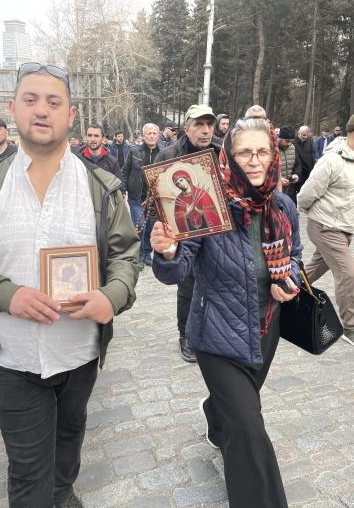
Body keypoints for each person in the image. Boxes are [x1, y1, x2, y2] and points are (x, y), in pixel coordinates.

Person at [0, 62, 139, 508]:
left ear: (71, 115)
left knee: (67, 453)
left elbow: (127, 256)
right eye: (30, 100)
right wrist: (7, 295)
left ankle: (64, 496)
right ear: (13, 109)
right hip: (15, 359)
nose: (42, 111)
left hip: (80, 356)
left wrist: (112, 297)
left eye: (54, 102)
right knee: (28, 476)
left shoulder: (101, 187)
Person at [151, 117, 302, 508]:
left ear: (273, 156)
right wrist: (167, 250)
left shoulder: (283, 206)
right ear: (227, 157)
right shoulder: (207, 206)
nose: (253, 161)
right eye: (243, 152)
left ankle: (215, 413)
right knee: (250, 431)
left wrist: (287, 279)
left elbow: (296, 257)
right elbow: (178, 270)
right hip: (217, 336)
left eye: (262, 151)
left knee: (237, 415)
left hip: (265, 330)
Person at [155, 104, 218, 362]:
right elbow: (157, 196)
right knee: (187, 285)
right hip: (183, 232)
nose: (205, 131)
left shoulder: (220, 152)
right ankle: (186, 336)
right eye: (199, 125)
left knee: (215, 282)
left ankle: (212, 331)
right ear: (187, 127)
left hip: (215, 229)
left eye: (209, 125)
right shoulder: (168, 154)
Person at [298, 114, 354, 345]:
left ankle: (286, 289)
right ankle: (350, 326)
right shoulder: (332, 160)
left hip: (344, 228)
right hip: (326, 226)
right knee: (348, 274)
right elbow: (307, 193)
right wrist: (311, 214)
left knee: (314, 269)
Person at [122, 123, 161, 271]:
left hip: (154, 199)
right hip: (137, 197)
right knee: (140, 226)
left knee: (150, 227)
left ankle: (146, 254)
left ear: (158, 135)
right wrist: (123, 188)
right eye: (148, 134)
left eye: (154, 133)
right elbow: (125, 171)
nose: (151, 136)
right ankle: (137, 256)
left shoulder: (163, 152)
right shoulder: (134, 151)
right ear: (143, 136)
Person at [277, 125, 301, 204]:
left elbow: (297, 164)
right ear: (280, 138)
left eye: (291, 141)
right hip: (276, 188)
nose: (289, 143)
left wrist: (296, 174)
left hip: (290, 188)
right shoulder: (272, 149)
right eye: (287, 141)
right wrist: (278, 180)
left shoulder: (293, 148)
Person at [293, 125, 315, 190]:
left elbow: (312, 154)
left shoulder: (310, 141)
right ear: (299, 133)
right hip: (298, 171)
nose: (305, 137)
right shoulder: (293, 142)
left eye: (306, 135)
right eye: (303, 135)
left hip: (308, 170)